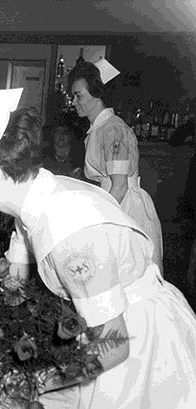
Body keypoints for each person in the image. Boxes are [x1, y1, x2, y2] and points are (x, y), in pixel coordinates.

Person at [0, 90, 196, 409]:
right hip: (117, 331)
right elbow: (13, 288)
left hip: (142, 342)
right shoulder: (35, 198)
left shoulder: (69, 233)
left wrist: (32, 379)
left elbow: (114, 348)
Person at [68, 59, 163, 272]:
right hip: (112, 200)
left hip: (124, 206)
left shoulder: (113, 130)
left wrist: (100, 221)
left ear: (97, 93)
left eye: (78, 95)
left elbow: (119, 185)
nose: (74, 102)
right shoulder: (99, 129)